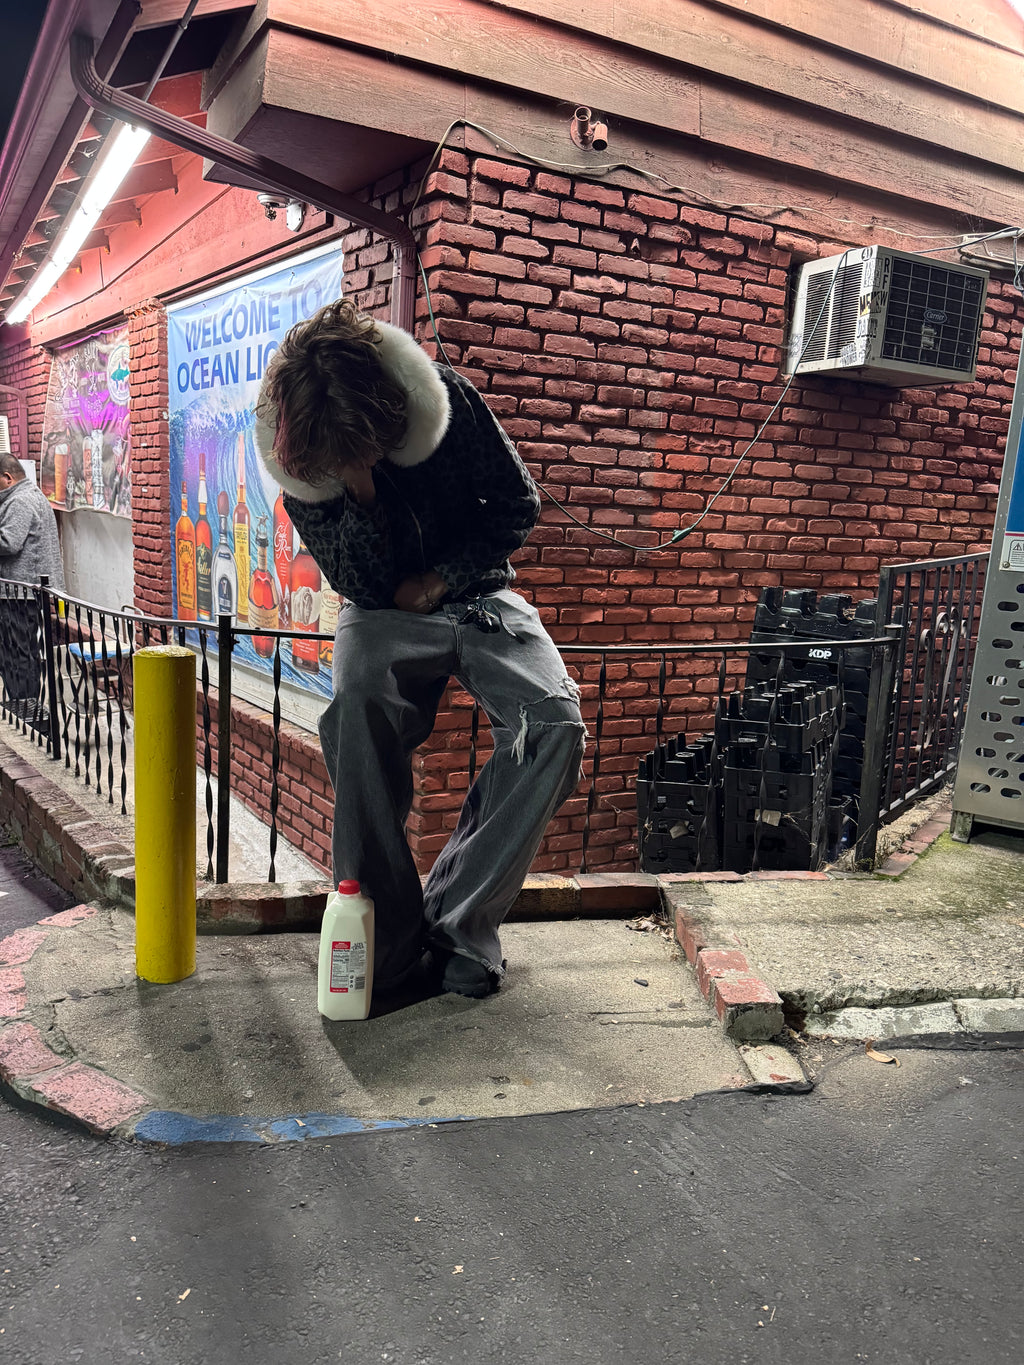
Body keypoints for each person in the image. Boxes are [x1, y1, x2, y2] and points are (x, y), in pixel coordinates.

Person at [255, 301, 586, 999]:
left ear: (390, 402)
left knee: (554, 722)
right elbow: (360, 582)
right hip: (380, 610)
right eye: (342, 459)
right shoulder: (306, 460)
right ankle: (390, 942)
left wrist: (443, 579)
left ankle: (459, 925)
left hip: (477, 591)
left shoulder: (450, 403)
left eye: (369, 444)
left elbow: (517, 504)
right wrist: (362, 490)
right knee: (355, 716)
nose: (361, 460)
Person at [0, 452, 64, 713]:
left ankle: (26, 710)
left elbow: (8, 542)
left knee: (19, 653)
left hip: (19, 592)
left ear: (7, 478)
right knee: (18, 651)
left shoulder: (21, 500)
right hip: (21, 590)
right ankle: (24, 706)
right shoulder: (28, 496)